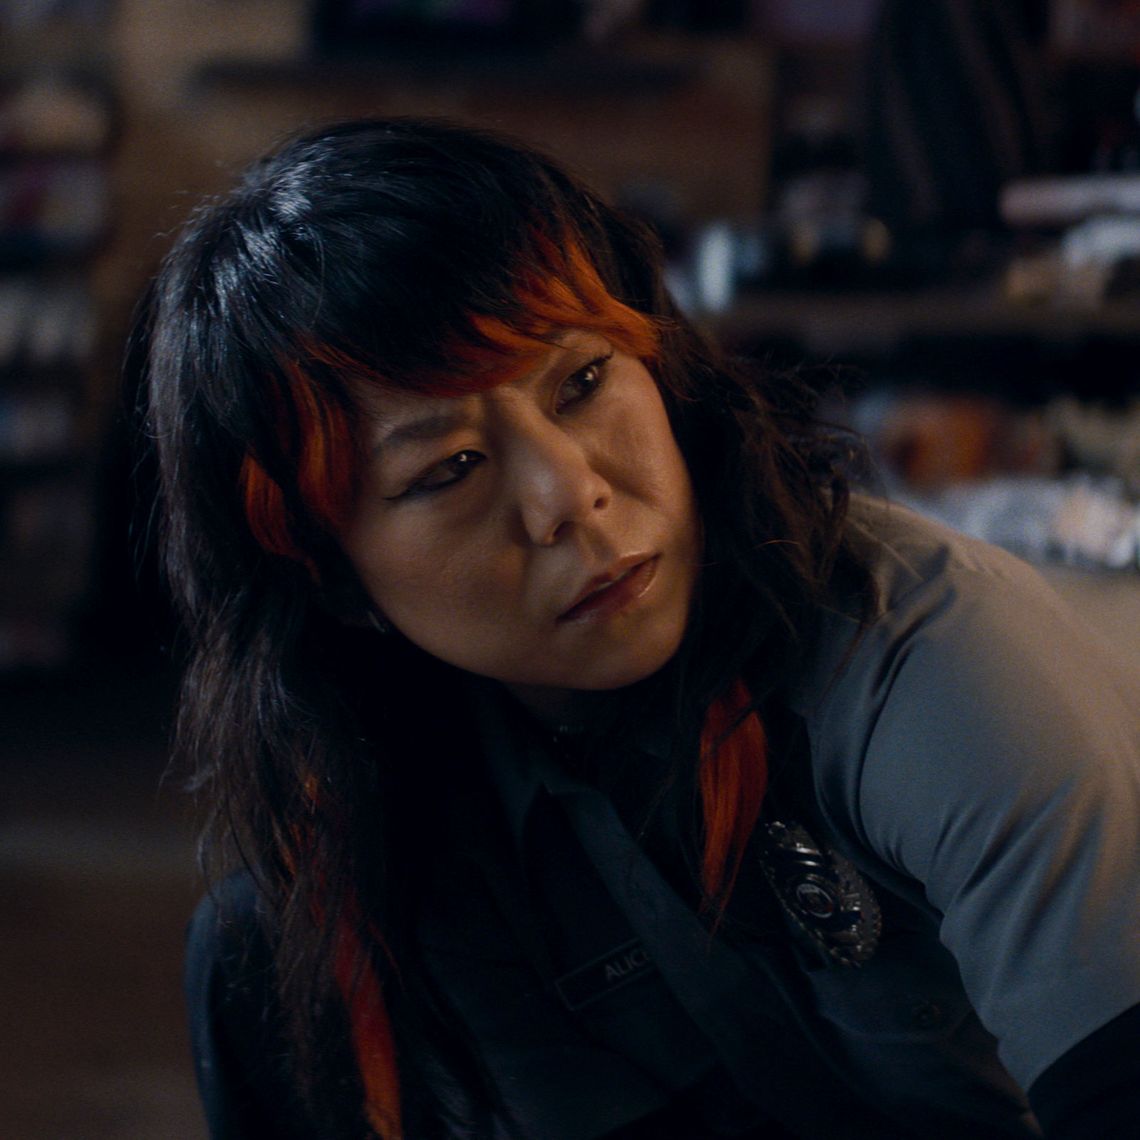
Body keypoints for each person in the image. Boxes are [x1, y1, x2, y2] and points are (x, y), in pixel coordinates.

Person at [143, 118, 1139, 1139]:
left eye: (581, 382)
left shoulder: (929, 668)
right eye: (448, 469)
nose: (568, 493)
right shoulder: (409, 793)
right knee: (265, 947)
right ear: (327, 578)